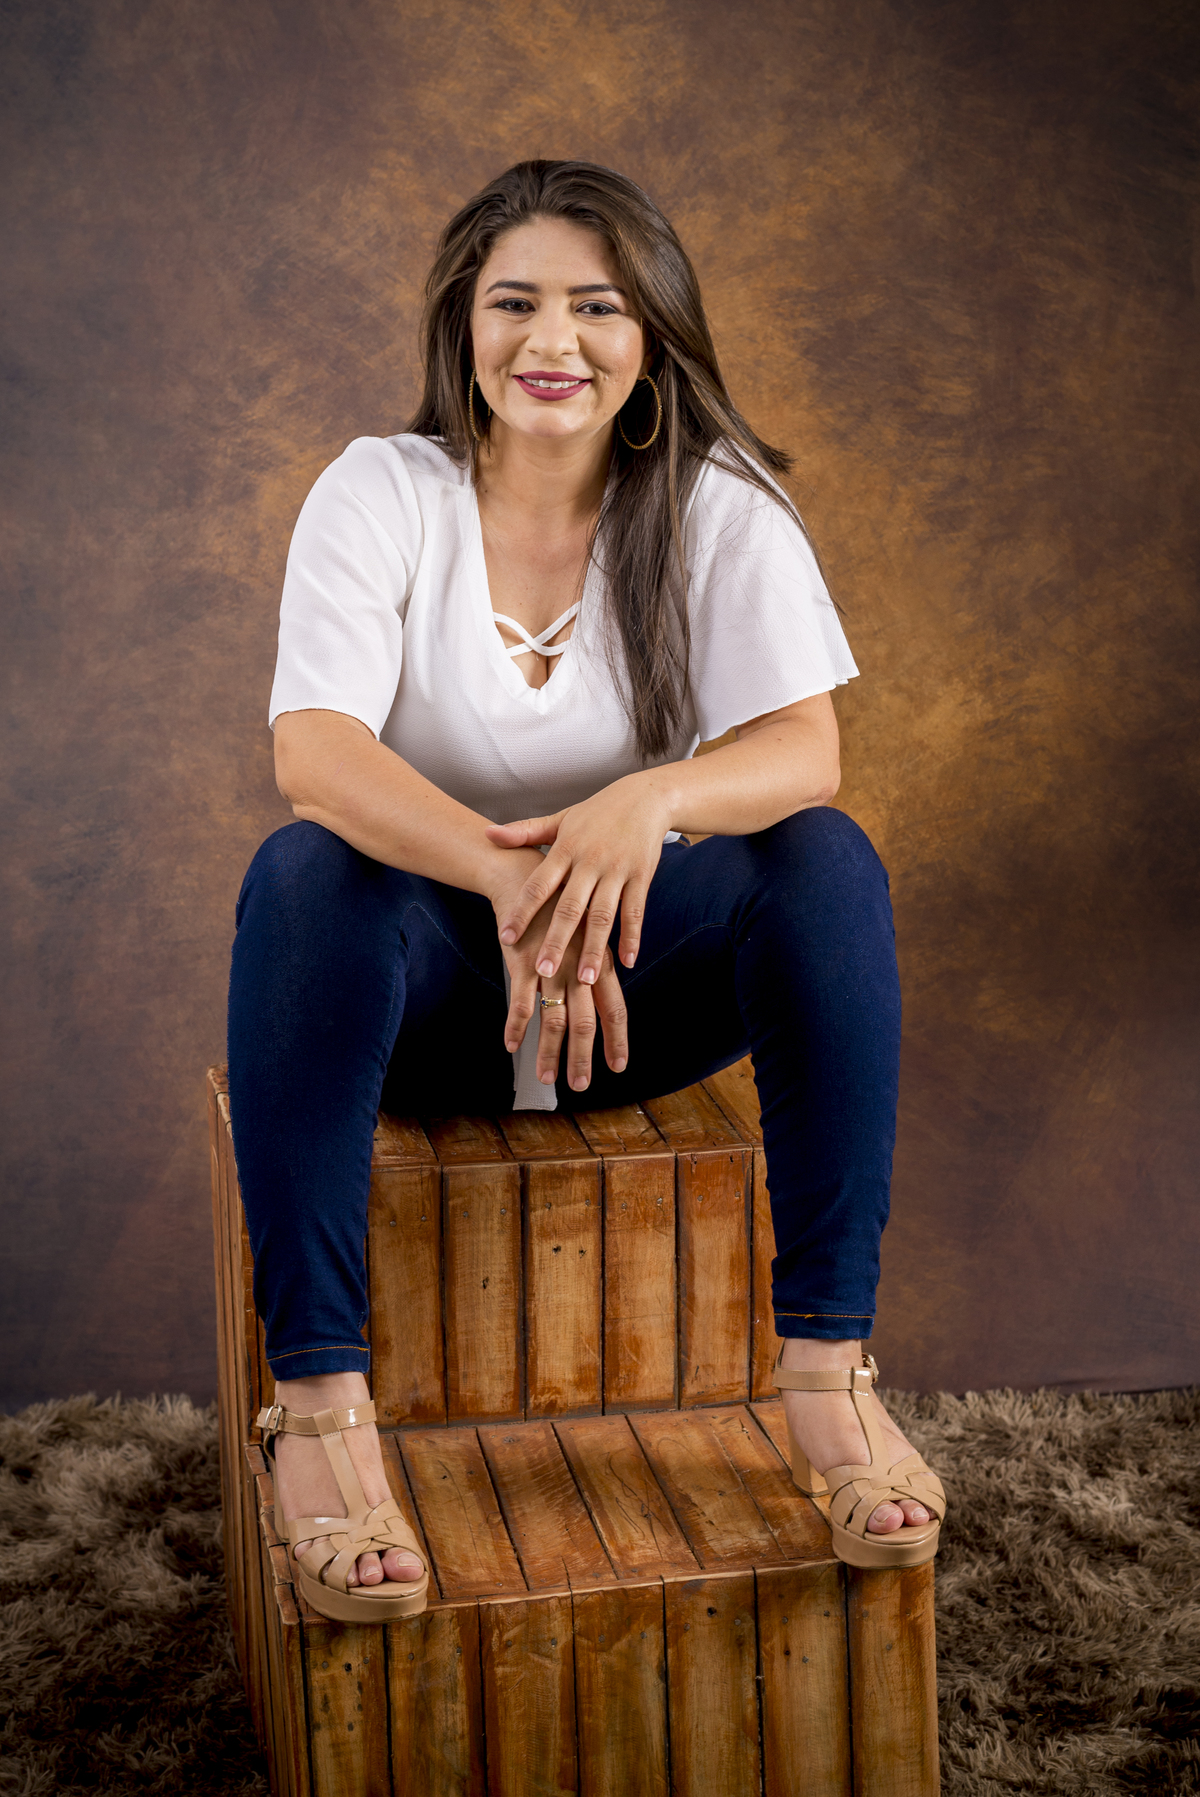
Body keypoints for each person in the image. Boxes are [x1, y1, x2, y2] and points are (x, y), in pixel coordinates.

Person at [227, 159, 945, 1625]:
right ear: (464, 324)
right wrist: (506, 876)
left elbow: (805, 750)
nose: (552, 339)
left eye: (597, 306)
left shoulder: (718, 506)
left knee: (825, 860)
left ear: (652, 334)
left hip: (635, 998)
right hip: (429, 995)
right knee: (303, 873)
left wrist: (645, 803)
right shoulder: (380, 492)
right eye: (515, 302)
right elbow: (314, 753)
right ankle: (319, 1418)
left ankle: (827, 1382)